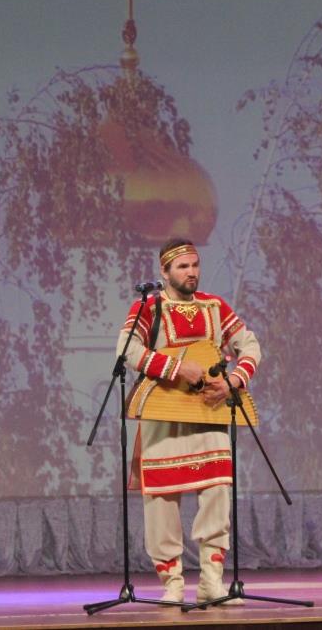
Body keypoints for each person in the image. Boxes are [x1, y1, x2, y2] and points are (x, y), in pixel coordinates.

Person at [117, 238, 260, 604]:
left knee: (217, 493)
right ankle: (173, 583)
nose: (191, 272)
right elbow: (127, 350)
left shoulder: (214, 306)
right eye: (183, 266)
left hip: (208, 412)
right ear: (164, 272)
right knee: (162, 499)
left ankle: (212, 580)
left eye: (195, 265)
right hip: (164, 414)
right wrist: (179, 368)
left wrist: (233, 380)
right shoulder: (150, 307)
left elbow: (250, 345)